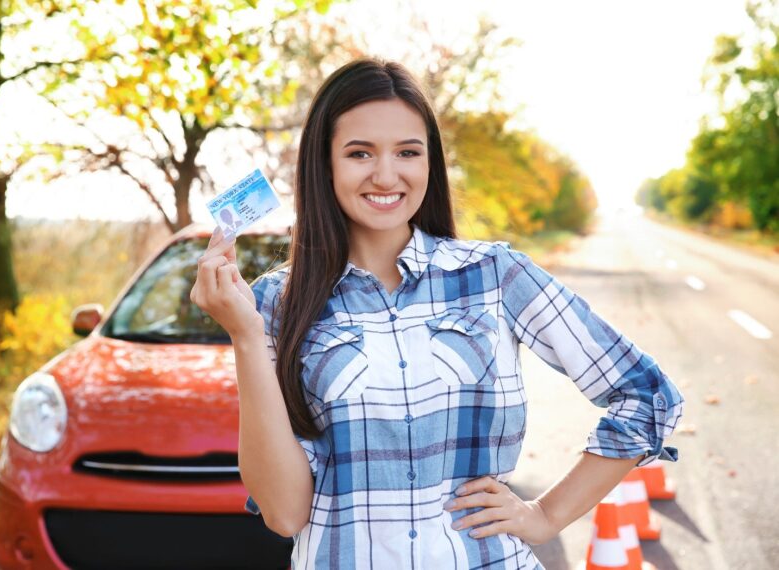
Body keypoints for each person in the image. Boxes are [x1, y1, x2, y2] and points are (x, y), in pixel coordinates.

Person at [190, 57, 684, 569]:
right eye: (360, 153)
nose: (386, 174)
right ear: (325, 164)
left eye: (408, 152)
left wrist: (545, 515)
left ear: (430, 162)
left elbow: (647, 395)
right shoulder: (276, 304)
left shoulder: (495, 275)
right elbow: (285, 514)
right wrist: (245, 337)